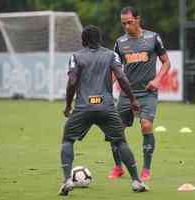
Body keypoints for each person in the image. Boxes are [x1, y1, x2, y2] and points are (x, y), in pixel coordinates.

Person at [58, 25, 149, 196]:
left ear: (83, 40)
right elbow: (121, 77)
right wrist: (133, 100)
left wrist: (68, 105)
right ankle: (137, 181)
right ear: (99, 39)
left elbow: (71, 82)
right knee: (120, 142)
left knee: (68, 140)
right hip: (106, 107)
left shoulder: (76, 56)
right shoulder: (111, 55)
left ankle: (67, 180)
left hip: (83, 107)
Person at [108, 6, 171, 181]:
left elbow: (166, 62)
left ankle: (146, 169)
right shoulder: (120, 43)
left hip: (147, 93)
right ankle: (118, 167)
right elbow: (115, 69)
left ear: (138, 19)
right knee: (116, 131)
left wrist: (158, 80)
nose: (127, 26)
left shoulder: (153, 38)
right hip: (126, 94)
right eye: (123, 24)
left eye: (129, 22)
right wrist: (106, 88)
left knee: (146, 126)